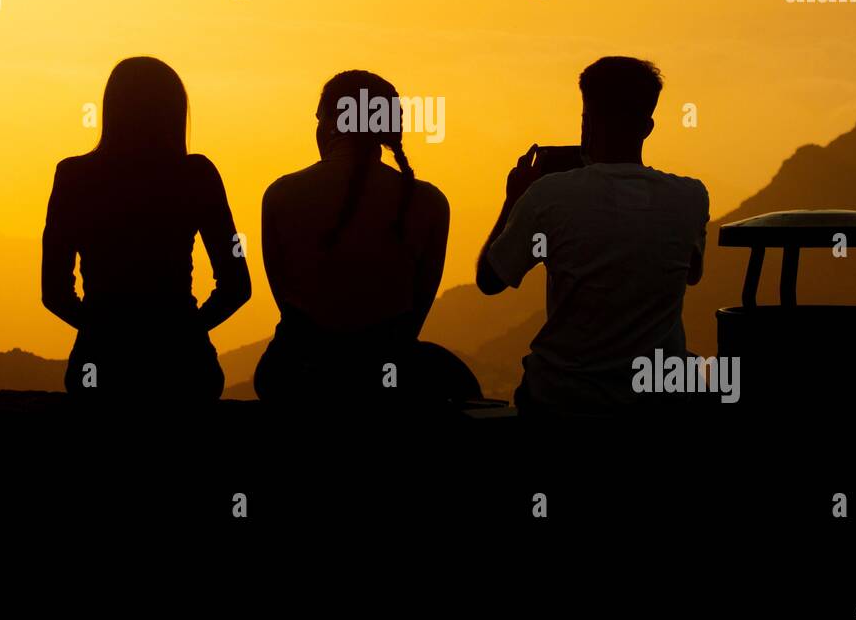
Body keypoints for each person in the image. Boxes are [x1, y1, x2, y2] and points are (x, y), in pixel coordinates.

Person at [476, 57, 709, 416]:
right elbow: (691, 274)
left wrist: (514, 199)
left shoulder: (549, 195)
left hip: (562, 400)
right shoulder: (691, 196)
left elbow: (491, 280)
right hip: (658, 401)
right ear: (647, 127)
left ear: (586, 123)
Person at [253, 70, 480, 407]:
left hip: (298, 376)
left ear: (331, 122)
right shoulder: (431, 203)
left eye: (319, 117)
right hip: (387, 376)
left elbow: (285, 298)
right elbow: (415, 313)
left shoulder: (280, 195)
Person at [41, 56, 251, 403]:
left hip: (101, 366)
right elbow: (237, 285)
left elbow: (54, 293)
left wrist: (102, 331)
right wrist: (185, 332)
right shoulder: (197, 175)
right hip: (184, 368)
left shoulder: (73, 177)